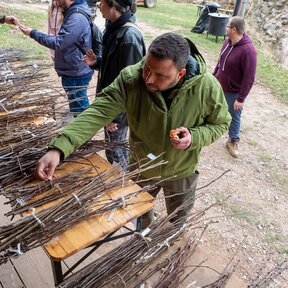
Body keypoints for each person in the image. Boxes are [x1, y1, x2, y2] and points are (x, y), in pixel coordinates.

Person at [34, 32, 231, 228]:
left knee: (178, 216)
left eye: (160, 75)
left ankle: (173, 233)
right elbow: (98, 111)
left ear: (181, 73)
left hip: (182, 170)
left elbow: (221, 123)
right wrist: (59, 148)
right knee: (139, 213)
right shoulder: (131, 79)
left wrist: (194, 137)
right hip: (142, 166)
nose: (149, 79)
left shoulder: (207, 87)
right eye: (147, 68)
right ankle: (141, 233)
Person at [83, 0, 145, 170]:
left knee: (115, 151)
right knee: (114, 148)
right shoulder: (114, 29)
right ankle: (123, 179)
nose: (98, 5)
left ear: (113, 5)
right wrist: (97, 62)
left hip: (117, 110)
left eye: (102, 1)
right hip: (111, 105)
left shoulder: (129, 37)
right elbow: (116, 69)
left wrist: (115, 117)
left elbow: (131, 84)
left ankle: (124, 185)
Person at [19, 0, 98, 114]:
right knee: (77, 104)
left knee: (80, 108)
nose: (55, 1)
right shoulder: (73, 12)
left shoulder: (76, 18)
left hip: (76, 71)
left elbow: (59, 43)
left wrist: (33, 33)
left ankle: (85, 130)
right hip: (74, 68)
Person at [213, 16, 257, 158]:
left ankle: (232, 141)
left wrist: (241, 98)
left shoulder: (249, 51)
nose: (225, 28)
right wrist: (214, 76)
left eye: (227, 26)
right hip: (219, 84)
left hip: (233, 92)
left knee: (235, 117)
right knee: (212, 106)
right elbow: (220, 62)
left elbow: (249, 78)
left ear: (234, 29)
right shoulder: (227, 42)